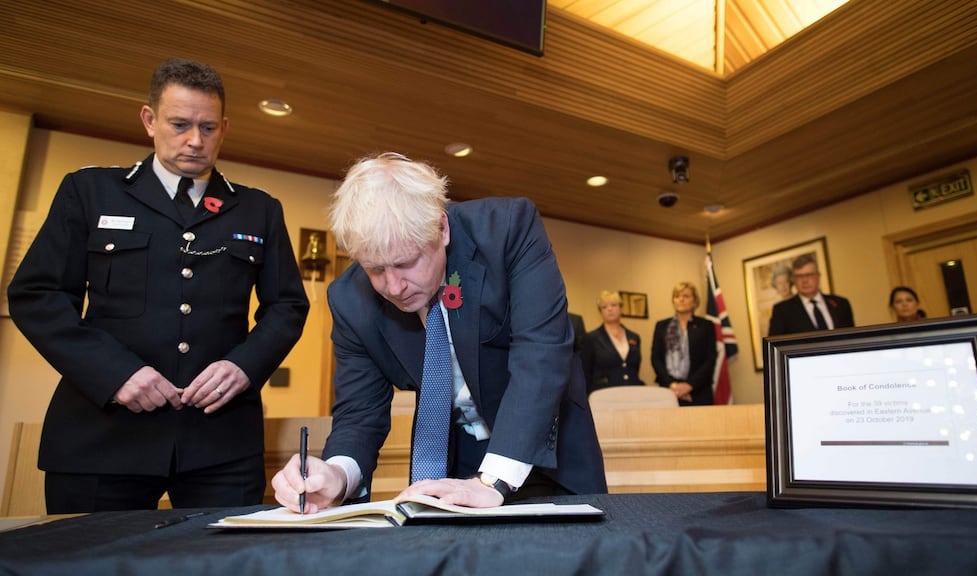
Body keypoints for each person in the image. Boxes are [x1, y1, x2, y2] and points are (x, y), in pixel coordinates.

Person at [6, 58, 310, 513]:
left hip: (219, 441)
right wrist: (115, 374)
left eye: (208, 127)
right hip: (102, 435)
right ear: (149, 120)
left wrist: (245, 366)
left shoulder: (258, 210)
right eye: (180, 124)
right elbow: (38, 295)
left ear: (224, 128)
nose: (195, 140)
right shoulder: (90, 192)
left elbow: (286, 305)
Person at [271, 152, 607, 512]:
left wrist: (493, 480)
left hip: (544, 449)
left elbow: (541, 354)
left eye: (405, 263)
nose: (394, 286)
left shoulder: (509, 229)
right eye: (375, 269)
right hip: (455, 463)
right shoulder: (349, 299)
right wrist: (337, 474)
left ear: (442, 229)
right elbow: (359, 411)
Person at [650, 282, 718, 405]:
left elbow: (710, 359)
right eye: (677, 296)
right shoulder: (661, 326)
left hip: (699, 391)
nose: (681, 299)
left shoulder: (706, 326)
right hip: (669, 391)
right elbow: (656, 358)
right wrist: (673, 385)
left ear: (695, 301)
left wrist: (689, 386)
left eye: (686, 296)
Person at [768, 254, 853, 336]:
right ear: (794, 280)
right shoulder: (782, 311)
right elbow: (774, 348)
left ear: (818, 276)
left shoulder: (841, 304)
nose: (805, 280)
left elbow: (852, 339)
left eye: (809, 275)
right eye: (799, 276)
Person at [580, 291, 643, 395]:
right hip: (603, 394)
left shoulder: (634, 337)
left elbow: (635, 368)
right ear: (600, 312)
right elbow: (585, 373)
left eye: (614, 305)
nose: (610, 309)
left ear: (621, 308)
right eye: (604, 307)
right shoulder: (591, 338)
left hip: (633, 391)